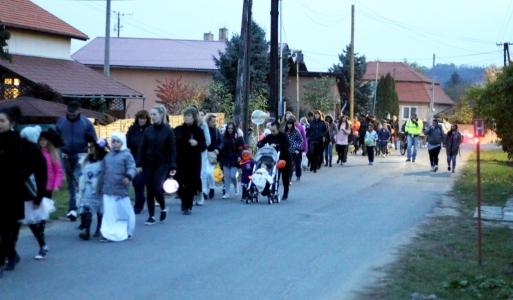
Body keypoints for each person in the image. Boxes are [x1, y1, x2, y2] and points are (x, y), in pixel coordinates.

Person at [0, 107, 47, 278]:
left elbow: (40, 169)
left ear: (12, 123)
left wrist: (39, 196)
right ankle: (11, 254)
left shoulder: (21, 144)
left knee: (6, 228)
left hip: (12, 194)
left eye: (2, 121)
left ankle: (1, 260)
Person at [56, 101, 97, 221]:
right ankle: (79, 206)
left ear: (79, 110)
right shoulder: (61, 122)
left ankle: (73, 209)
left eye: (73, 112)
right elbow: (56, 138)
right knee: (71, 183)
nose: (71, 114)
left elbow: (94, 141)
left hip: (81, 155)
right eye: (69, 112)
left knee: (76, 181)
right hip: (66, 156)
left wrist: (93, 153)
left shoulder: (86, 123)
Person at [136, 105, 177, 225]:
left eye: (154, 114)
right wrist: (139, 163)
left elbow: (173, 150)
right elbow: (142, 148)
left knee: (156, 188)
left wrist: (173, 166)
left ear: (161, 115)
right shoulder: (148, 130)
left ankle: (163, 208)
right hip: (148, 163)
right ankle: (151, 216)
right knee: (149, 190)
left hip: (162, 164)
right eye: (151, 114)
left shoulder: (168, 131)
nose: (152, 117)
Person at [19, 126, 53, 261]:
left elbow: (42, 178)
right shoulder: (18, 153)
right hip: (16, 192)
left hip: (30, 193)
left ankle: (43, 245)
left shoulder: (37, 156)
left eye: (26, 138)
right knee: (12, 224)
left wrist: (38, 199)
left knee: (31, 221)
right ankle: (10, 253)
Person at [99, 132, 137, 242]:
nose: (115, 144)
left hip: (121, 190)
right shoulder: (107, 156)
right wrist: (100, 186)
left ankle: (127, 230)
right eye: (113, 141)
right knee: (109, 213)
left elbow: (132, 167)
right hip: (108, 190)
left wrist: (129, 176)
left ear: (122, 142)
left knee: (123, 212)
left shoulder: (127, 155)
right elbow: (103, 172)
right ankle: (107, 233)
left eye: (118, 142)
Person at [33, 128, 64, 259]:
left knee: (44, 208)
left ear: (48, 141)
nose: (42, 142)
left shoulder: (52, 155)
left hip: (48, 186)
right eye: (40, 140)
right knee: (36, 207)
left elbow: (58, 171)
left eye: (44, 140)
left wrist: (57, 184)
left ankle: (41, 226)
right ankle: (38, 225)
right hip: (36, 186)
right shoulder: (36, 154)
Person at [174, 108, 207, 214]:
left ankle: (188, 205)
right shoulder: (178, 129)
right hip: (180, 160)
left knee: (190, 183)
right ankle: (184, 200)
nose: (187, 118)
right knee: (178, 181)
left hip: (193, 161)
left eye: (189, 116)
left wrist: (197, 143)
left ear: (194, 118)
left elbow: (204, 146)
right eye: (185, 116)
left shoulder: (198, 131)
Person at [76, 137, 109, 240]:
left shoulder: (104, 161)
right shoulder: (86, 160)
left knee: (100, 208)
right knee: (87, 208)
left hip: (98, 187)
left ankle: (99, 227)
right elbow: (82, 173)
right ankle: (87, 230)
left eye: (94, 147)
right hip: (87, 187)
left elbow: (106, 175)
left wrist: (102, 186)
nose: (91, 149)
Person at [258, 121, 292, 200]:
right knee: (273, 175)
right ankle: (273, 191)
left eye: (274, 131)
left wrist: (277, 145)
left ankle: (285, 192)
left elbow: (287, 145)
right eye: (271, 131)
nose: (272, 132)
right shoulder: (269, 136)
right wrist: (262, 144)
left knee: (285, 177)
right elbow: (261, 142)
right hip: (274, 159)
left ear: (278, 129)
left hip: (284, 158)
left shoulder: (283, 135)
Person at [126, 110, 151, 214]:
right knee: (135, 182)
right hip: (134, 158)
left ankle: (138, 204)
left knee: (140, 181)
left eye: (144, 118)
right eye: (140, 118)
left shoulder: (150, 130)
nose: (142, 120)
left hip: (146, 159)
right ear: (137, 118)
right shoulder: (132, 130)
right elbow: (127, 143)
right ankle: (140, 199)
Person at [218, 122, 244, 199]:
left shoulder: (238, 138)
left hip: (234, 158)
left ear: (234, 129)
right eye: (228, 128)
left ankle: (236, 187)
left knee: (233, 175)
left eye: (231, 128)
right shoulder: (224, 138)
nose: (230, 130)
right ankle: (227, 192)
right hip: (225, 158)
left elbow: (241, 148)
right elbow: (221, 147)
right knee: (226, 177)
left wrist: (240, 156)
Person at [193, 106, 211, 205]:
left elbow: (208, 141)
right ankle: (192, 193)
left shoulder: (203, 125)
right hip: (190, 153)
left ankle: (202, 192)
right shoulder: (186, 126)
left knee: (201, 173)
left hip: (201, 151)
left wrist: (199, 145)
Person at [205, 113, 221, 199]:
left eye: (215, 122)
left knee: (209, 172)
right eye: (212, 122)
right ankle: (204, 191)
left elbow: (221, 142)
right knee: (203, 173)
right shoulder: (203, 130)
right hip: (203, 153)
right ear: (208, 121)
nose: (214, 124)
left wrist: (218, 149)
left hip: (212, 154)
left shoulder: (216, 131)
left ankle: (212, 188)